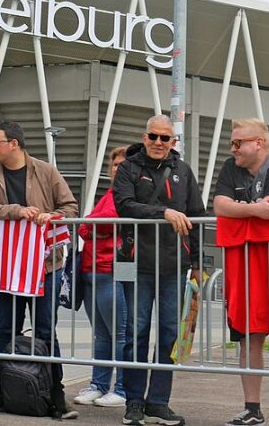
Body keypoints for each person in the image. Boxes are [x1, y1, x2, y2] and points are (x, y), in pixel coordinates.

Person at [0, 121, 79, 418]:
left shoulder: (45, 171)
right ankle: (1, 389)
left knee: (46, 329)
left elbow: (71, 207)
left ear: (14, 144)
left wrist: (51, 216)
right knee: (7, 328)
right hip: (9, 266)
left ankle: (55, 393)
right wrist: (16, 211)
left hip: (45, 265)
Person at [112, 115, 204, 426]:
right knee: (135, 334)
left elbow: (196, 216)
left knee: (168, 334)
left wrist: (199, 265)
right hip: (136, 265)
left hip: (174, 267)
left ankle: (159, 402)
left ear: (173, 141)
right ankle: (134, 401)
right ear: (145, 135)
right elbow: (123, 204)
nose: (158, 143)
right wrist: (162, 212)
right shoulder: (128, 167)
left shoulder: (183, 171)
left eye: (165, 138)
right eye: (153, 136)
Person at [213, 118, 269, 426]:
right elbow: (219, 205)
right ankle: (252, 409)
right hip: (245, 264)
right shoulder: (231, 167)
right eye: (232, 143)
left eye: (239, 143)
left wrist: (241, 211)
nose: (233, 148)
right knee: (248, 336)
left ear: (260, 143)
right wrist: (253, 209)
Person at [73, 146, 129, 409]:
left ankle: (122, 387)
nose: (117, 168)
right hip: (92, 269)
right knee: (102, 335)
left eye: (122, 163)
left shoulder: (126, 194)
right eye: (114, 164)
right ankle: (98, 384)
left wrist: (90, 224)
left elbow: (103, 223)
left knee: (119, 333)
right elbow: (89, 226)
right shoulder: (108, 193)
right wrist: (91, 224)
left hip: (111, 269)